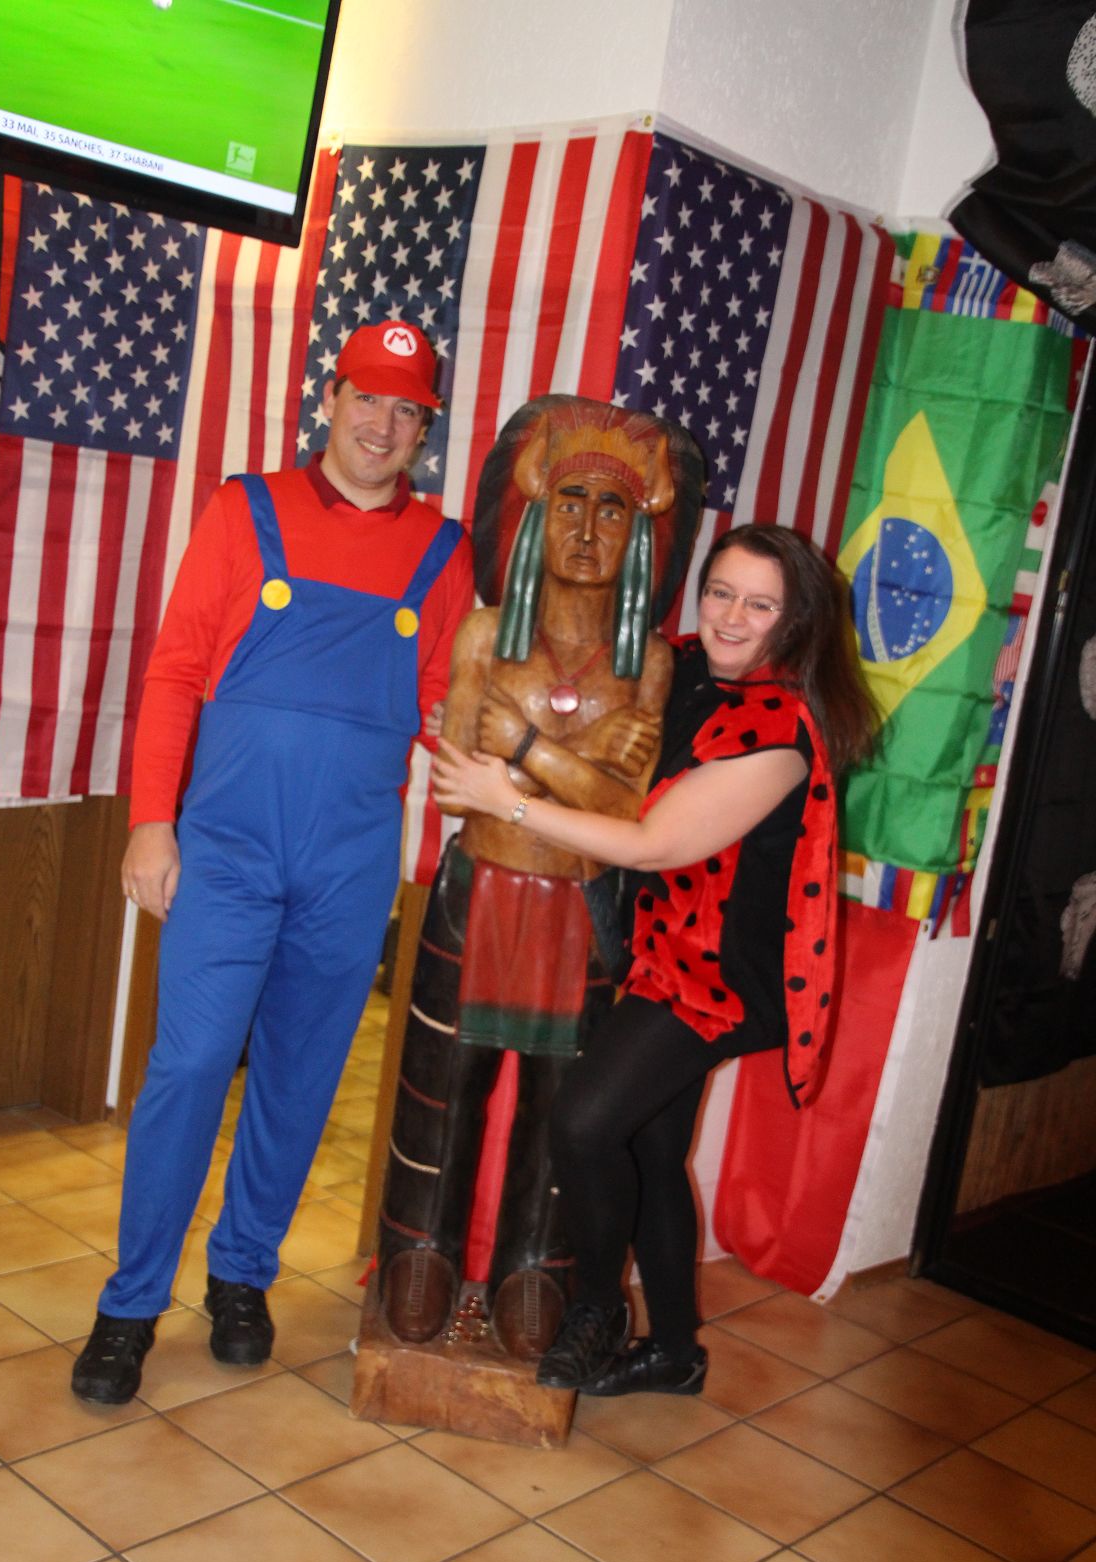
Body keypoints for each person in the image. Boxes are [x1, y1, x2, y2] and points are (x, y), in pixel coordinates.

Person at [71, 320, 474, 1405]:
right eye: (368, 398)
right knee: (192, 1066)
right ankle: (130, 1303)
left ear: (423, 429)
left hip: (350, 863)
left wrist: (490, 759)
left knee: (299, 1081)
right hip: (229, 849)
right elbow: (175, 672)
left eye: (407, 410)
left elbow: (444, 702)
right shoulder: (245, 511)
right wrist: (151, 822)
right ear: (329, 398)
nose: (383, 425)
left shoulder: (444, 552)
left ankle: (242, 1273)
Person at [433, 522, 878, 1395]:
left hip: (713, 974)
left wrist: (507, 792)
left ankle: (599, 1310)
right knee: (649, 1146)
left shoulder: (780, 727)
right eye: (721, 592)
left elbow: (653, 843)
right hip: (656, 948)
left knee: (585, 1124)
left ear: (796, 622)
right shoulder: (683, 670)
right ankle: (676, 1352)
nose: (732, 616)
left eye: (761, 605)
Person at [377, 397, 702, 1358]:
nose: (588, 532)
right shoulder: (485, 636)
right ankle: (419, 1249)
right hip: (480, 891)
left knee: (559, 1107)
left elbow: (627, 818)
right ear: (533, 516)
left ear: (642, 536)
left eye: (613, 511)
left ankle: (537, 1264)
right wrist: (583, 761)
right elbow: (458, 789)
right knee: (444, 1087)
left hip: (581, 908)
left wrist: (523, 751)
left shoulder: (648, 663)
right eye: (569, 504)